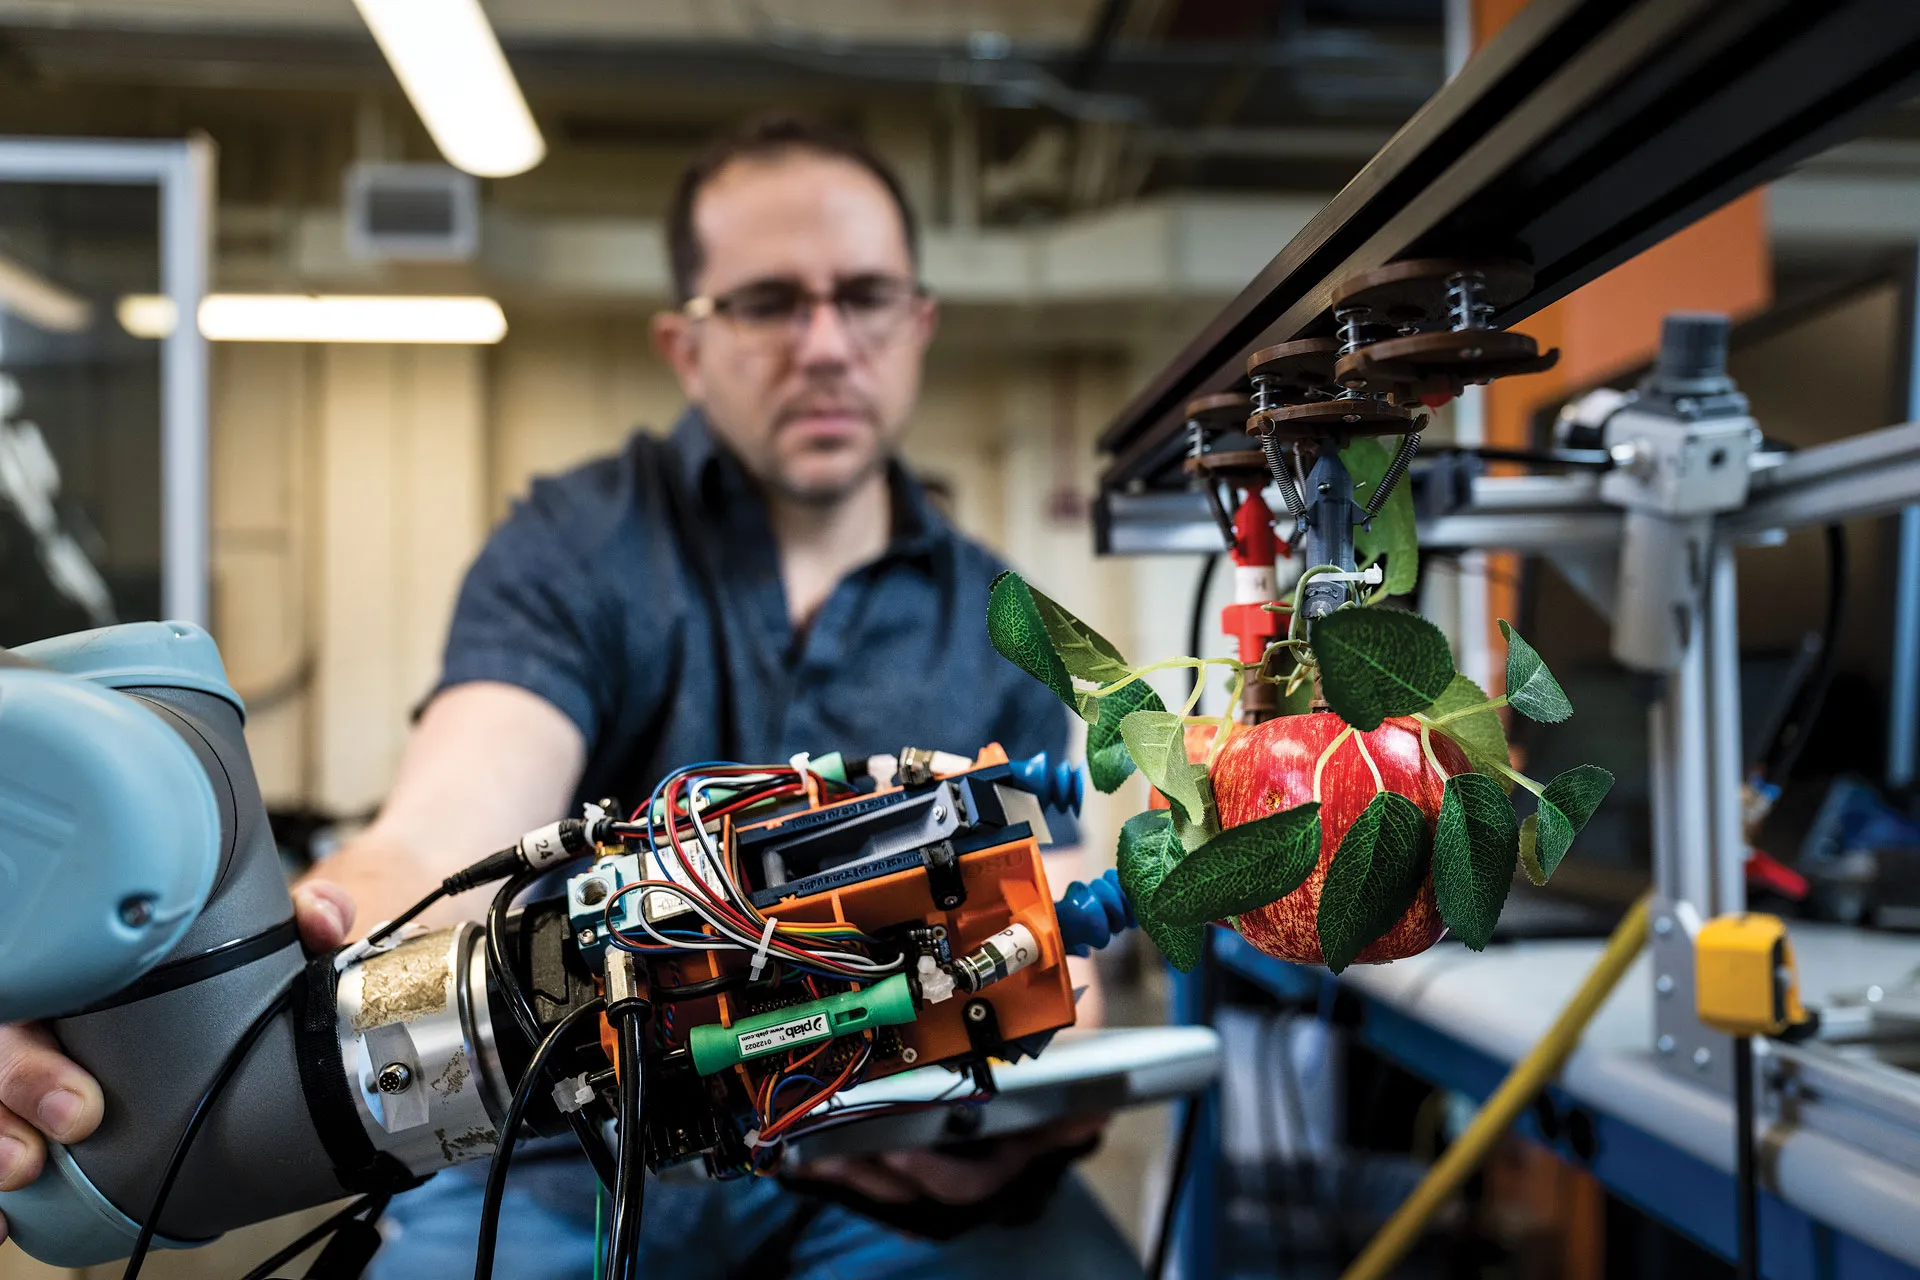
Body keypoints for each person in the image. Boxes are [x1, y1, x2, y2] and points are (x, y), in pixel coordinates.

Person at [0, 116, 1140, 1279]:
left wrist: (1023, 1087)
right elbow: (440, 831)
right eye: (766, 303)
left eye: (864, 297)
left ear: (919, 323)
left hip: (875, 1170)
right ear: (684, 345)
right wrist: (170, 1009)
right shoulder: (574, 549)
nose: (826, 344)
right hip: (563, 1154)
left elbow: (1043, 926)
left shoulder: (1004, 623)